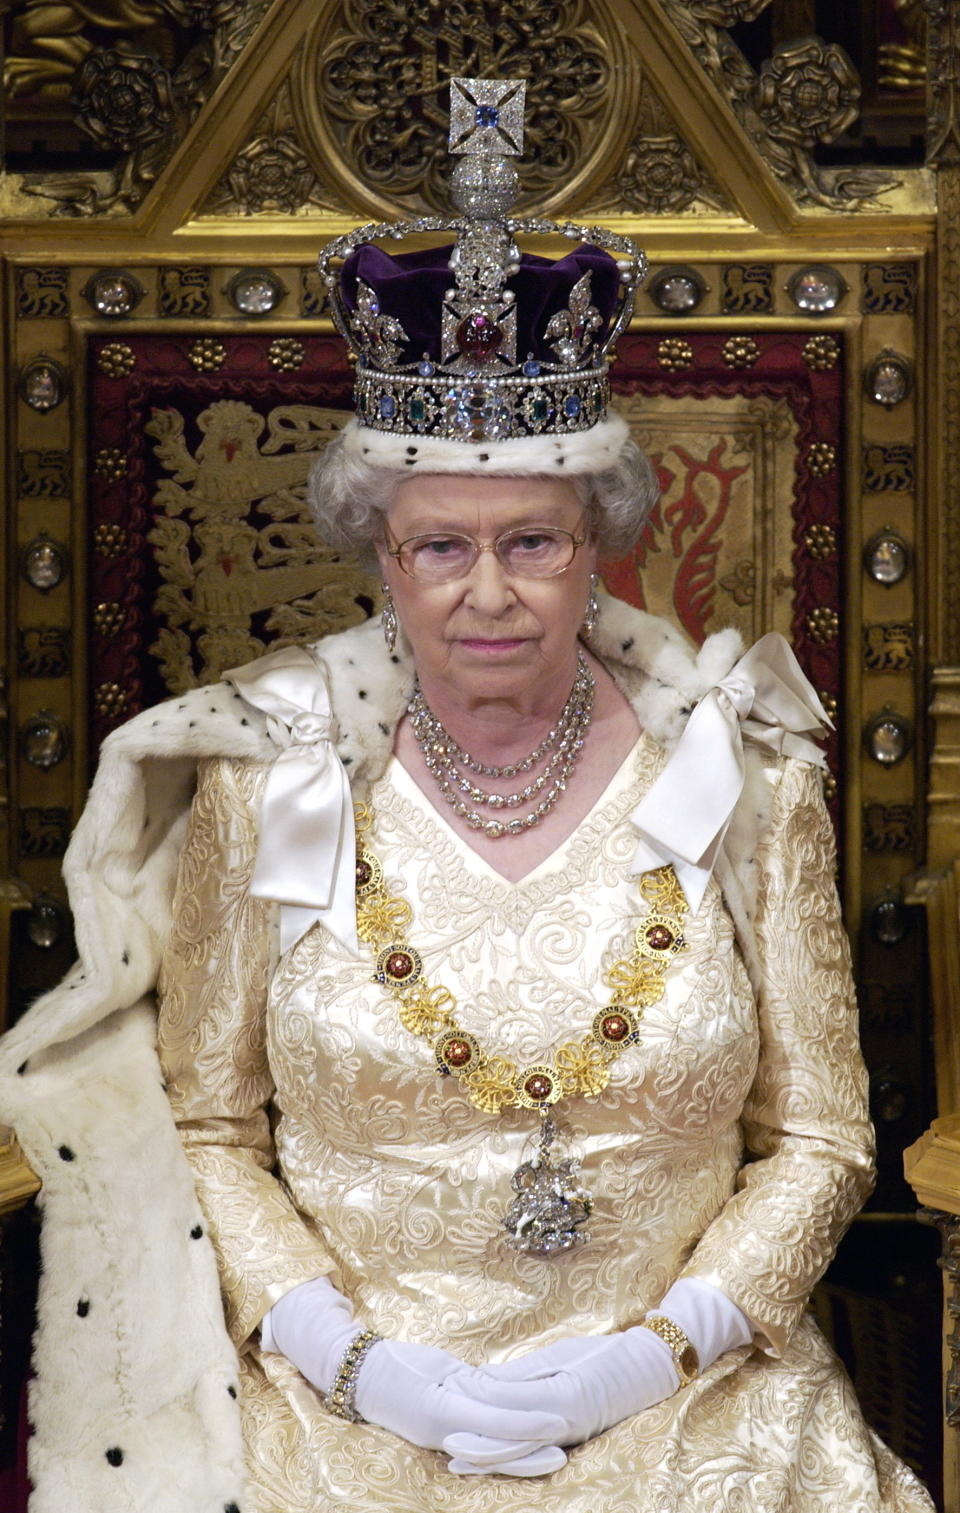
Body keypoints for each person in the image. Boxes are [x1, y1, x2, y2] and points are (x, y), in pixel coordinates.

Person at [0, 77, 934, 1512]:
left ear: (603, 539)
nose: (489, 593)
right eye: (442, 547)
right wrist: (354, 1357)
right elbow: (211, 1127)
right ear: (378, 553)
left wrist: (655, 1351)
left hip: (698, 1403)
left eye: (536, 544)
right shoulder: (273, 782)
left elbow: (822, 1136)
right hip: (335, 1406)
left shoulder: (744, 774)